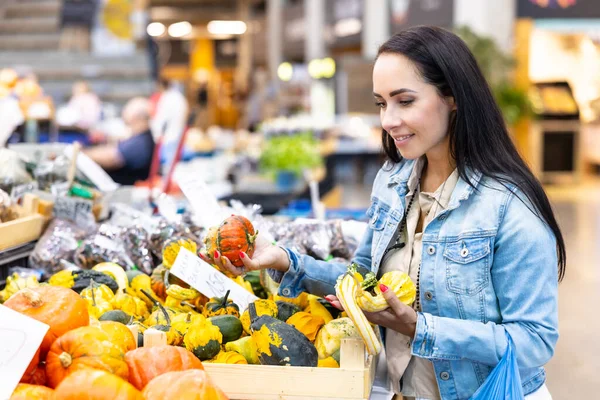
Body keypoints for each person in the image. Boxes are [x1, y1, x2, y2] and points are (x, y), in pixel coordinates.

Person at [207, 26, 564, 400]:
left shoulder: (508, 206)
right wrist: (284, 260)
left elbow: (534, 341)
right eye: (381, 103)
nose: (388, 120)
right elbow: (360, 282)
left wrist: (420, 328)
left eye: (405, 101)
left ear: (453, 97)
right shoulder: (394, 182)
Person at [85, 97, 155, 185]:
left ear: (135, 116)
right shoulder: (141, 137)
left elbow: (110, 158)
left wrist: (81, 153)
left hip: (119, 190)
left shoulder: (140, 143)